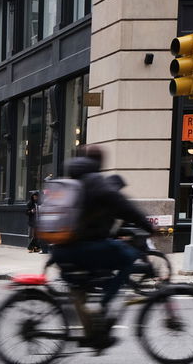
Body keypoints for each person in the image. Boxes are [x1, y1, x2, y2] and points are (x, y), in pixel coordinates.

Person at [48, 145, 152, 347]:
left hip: (62, 248)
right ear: (99, 163)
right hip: (80, 247)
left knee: (84, 284)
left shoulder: (73, 181)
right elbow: (122, 204)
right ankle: (102, 306)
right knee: (128, 257)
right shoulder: (95, 181)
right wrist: (146, 223)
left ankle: (94, 333)